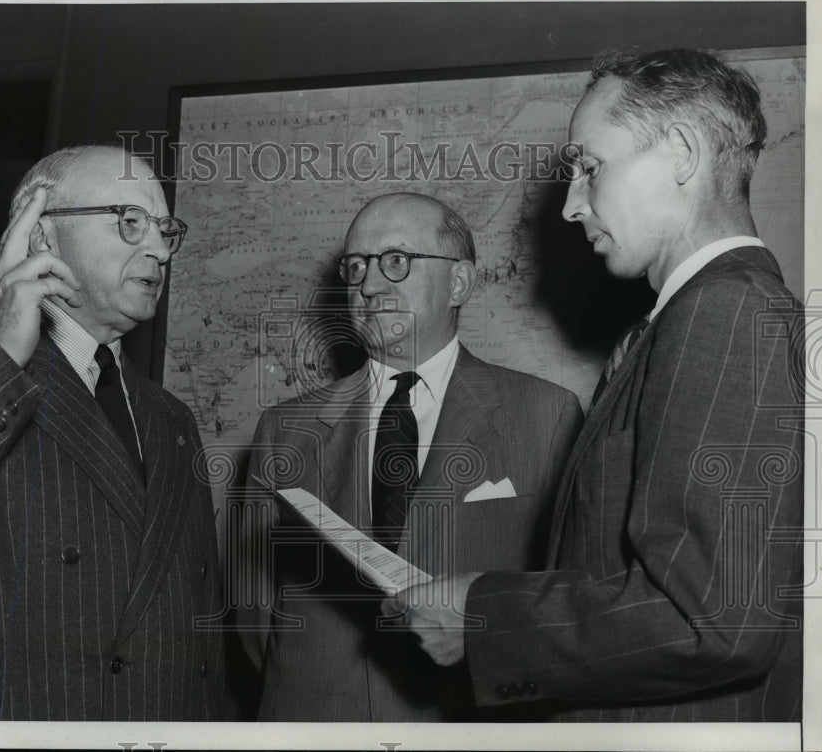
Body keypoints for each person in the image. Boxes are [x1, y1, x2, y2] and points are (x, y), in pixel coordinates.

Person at [390, 48, 805, 721]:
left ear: (679, 153)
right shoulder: (698, 319)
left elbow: (710, 619)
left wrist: (485, 616)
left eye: (590, 167)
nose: (571, 205)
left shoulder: (725, 314)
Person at [0, 145, 224, 721]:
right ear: (41, 235)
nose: (159, 250)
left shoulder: (173, 418)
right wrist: (1, 353)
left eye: (165, 230)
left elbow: (200, 643)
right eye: (130, 221)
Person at [233, 192, 584, 721]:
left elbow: (562, 602)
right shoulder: (283, 431)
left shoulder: (546, 415)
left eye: (396, 261)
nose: (369, 285)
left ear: (459, 283)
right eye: (356, 267)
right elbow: (255, 618)